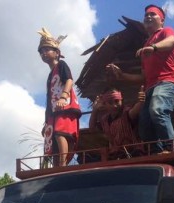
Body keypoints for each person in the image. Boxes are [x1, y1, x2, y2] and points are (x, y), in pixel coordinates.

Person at [105, 4, 174, 154]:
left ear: (162, 20)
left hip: (168, 82)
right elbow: (143, 77)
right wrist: (122, 75)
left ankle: (170, 148)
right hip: (150, 87)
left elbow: (173, 41)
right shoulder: (145, 46)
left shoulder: (166, 32)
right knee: (144, 124)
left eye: (153, 14)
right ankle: (155, 152)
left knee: (158, 110)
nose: (148, 17)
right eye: (146, 15)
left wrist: (154, 48)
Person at [38, 27, 82, 166]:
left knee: (60, 133)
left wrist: (63, 97)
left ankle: (63, 165)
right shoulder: (50, 76)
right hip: (54, 110)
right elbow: (48, 99)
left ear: (57, 53)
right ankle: (58, 166)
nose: (43, 53)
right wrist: (46, 122)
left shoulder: (62, 65)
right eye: (41, 51)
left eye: (46, 50)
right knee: (54, 142)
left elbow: (69, 79)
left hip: (65, 105)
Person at [88, 87, 146, 159]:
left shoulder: (127, 113)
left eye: (117, 101)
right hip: (115, 156)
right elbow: (92, 129)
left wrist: (141, 102)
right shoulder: (105, 120)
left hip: (135, 154)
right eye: (110, 102)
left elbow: (135, 110)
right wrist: (95, 110)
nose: (114, 105)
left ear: (121, 100)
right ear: (105, 104)